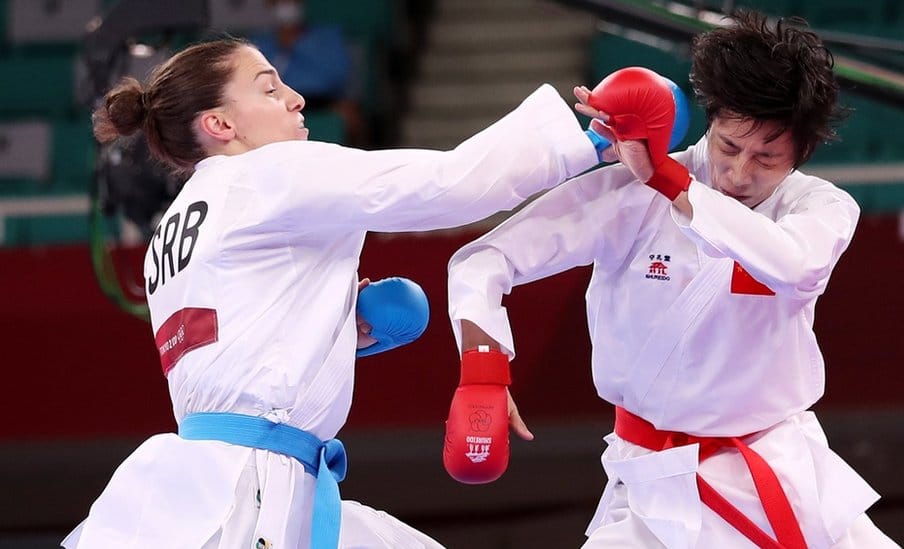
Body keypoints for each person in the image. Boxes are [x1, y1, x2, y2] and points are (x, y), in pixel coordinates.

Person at [62, 36, 629, 548]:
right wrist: (585, 145)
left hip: (210, 476)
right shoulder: (269, 173)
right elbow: (448, 184)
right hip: (251, 486)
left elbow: (233, 338)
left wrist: (333, 324)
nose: (296, 99)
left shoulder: (173, 228)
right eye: (269, 89)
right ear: (220, 124)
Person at [441, 10, 900, 549]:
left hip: (784, 474)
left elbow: (793, 263)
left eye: (767, 157)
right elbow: (485, 258)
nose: (740, 173)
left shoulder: (819, 207)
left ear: (801, 152)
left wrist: (668, 180)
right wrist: (483, 370)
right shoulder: (629, 195)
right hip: (654, 488)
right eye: (730, 146)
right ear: (711, 119)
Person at [250, 0, 367, 145]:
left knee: (351, 115)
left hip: (323, 101)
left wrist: (298, 45)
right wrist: (283, 47)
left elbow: (339, 76)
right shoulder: (260, 42)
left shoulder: (327, 36)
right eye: (279, 2)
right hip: (279, 102)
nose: (286, 5)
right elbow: (260, 81)